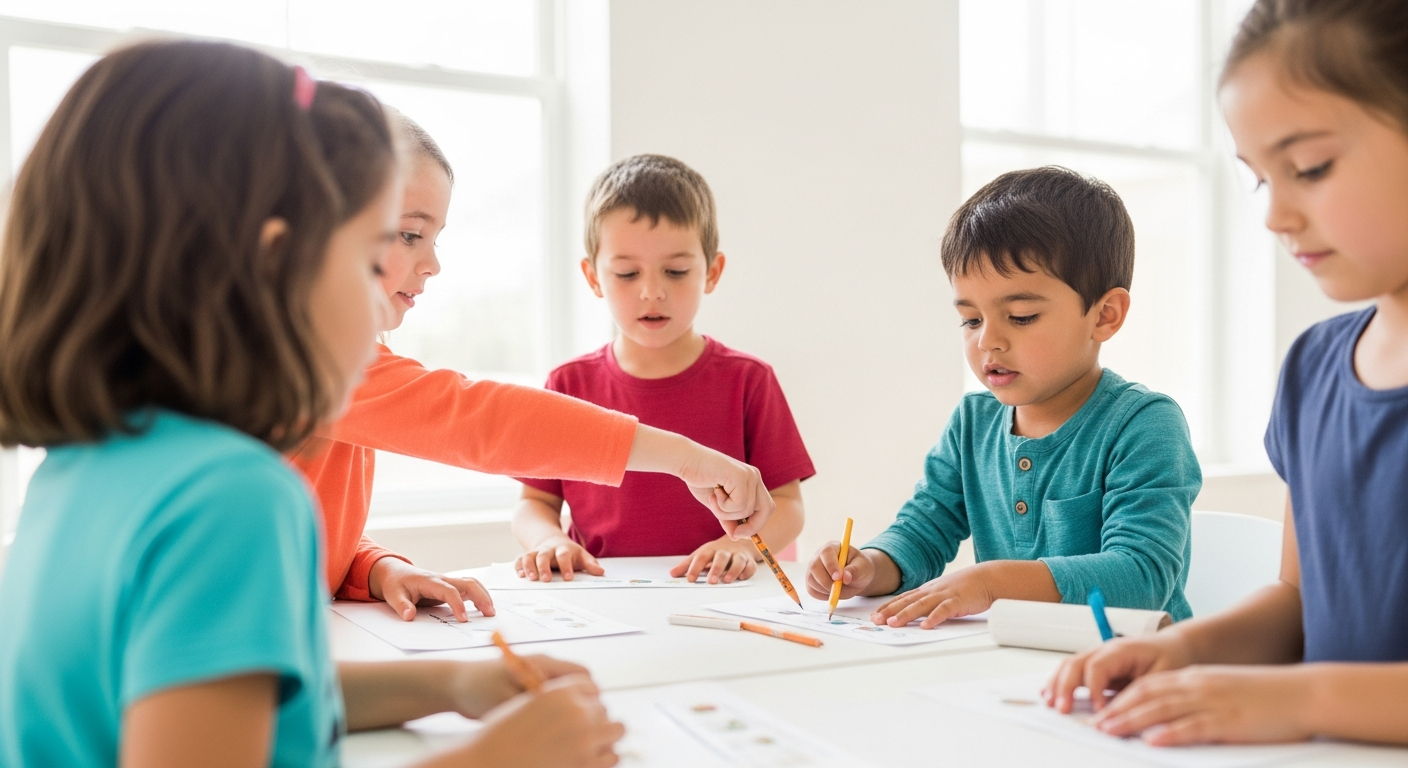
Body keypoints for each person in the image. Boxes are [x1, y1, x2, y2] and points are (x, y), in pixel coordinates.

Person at [0, 40, 622, 767]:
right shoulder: (232, 498)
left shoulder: (85, 467)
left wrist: (455, 680)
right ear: (275, 266)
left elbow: (235, 699)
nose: (383, 299)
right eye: (367, 261)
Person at [1045, 0, 1408, 746]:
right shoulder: (1314, 371)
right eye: (1259, 179)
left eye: (1309, 168)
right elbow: (1299, 600)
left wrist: (1303, 702)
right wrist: (1183, 649)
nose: (1275, 215)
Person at [290, 125, 776, 621]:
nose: (433, 263)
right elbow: (478, 419)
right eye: (411, 235)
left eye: (435, 239)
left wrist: (374, 567)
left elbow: (304, 527)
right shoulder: (305, 360)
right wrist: (687, 459)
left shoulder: (333, 358)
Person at [805, 166, 1200, 629]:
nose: (988, 341)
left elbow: (1141, 575)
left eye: (1022, 316)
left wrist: (992, 582)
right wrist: (869, 565)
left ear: (1104, 316)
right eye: (971, 320)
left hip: (1133, 667)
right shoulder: (974, 421)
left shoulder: (1144, 424)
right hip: (1012, 663)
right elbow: (924, 530)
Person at [513, 154, 814, 585]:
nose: (652, 292)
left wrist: (742, 546)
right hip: (601, 594)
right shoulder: (568, 384)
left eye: (675, 271)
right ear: (594, 277)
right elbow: (534, 503)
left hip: (713, 592)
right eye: (627, 273)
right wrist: (548, 540)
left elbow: (788, 503)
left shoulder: (748, 381)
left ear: (711, 272)